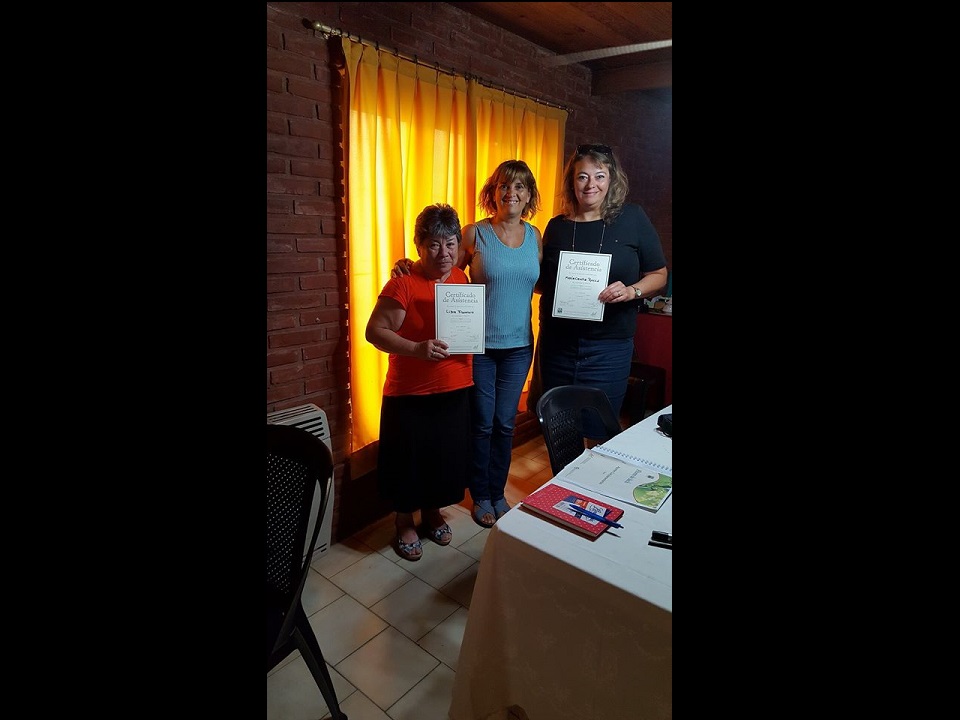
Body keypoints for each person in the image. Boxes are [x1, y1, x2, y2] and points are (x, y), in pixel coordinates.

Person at [393, 160, 543, 528]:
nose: (511, 193)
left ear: (529, 195)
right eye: (504, 186)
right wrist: (407, 266)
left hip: (519, 346)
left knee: (505, 424)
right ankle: (480, 495)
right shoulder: (475, 233)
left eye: (519, 187)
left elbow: (533, 281)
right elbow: (443, 269)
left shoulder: (535, 236)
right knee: (483, 424)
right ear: (493, 192)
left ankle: (497, 492)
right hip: (479, 347)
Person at [534, 143, 668, 440]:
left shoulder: (632, 218)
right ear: (572, 182)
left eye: (599, 176)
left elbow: (659, 274)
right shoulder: (557, 226)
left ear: (612, 179)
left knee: (600, 430)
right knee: (560, 432)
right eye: (582, 176)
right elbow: (542, 282)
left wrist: (632, 291)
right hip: (557, 346)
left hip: (608, 349)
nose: (590, 184)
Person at [365, 203, 473, 561]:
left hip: (455, 385)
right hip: (410, 392)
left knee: (442, 458)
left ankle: (432, 513)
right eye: (434, 245)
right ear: (419, 246)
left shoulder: (461, 280)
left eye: (451, 244)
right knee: (408, 461)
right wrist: (416, 348)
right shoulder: (402, 283)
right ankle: (403, 521)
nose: (444, 253)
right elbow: (374, 332)